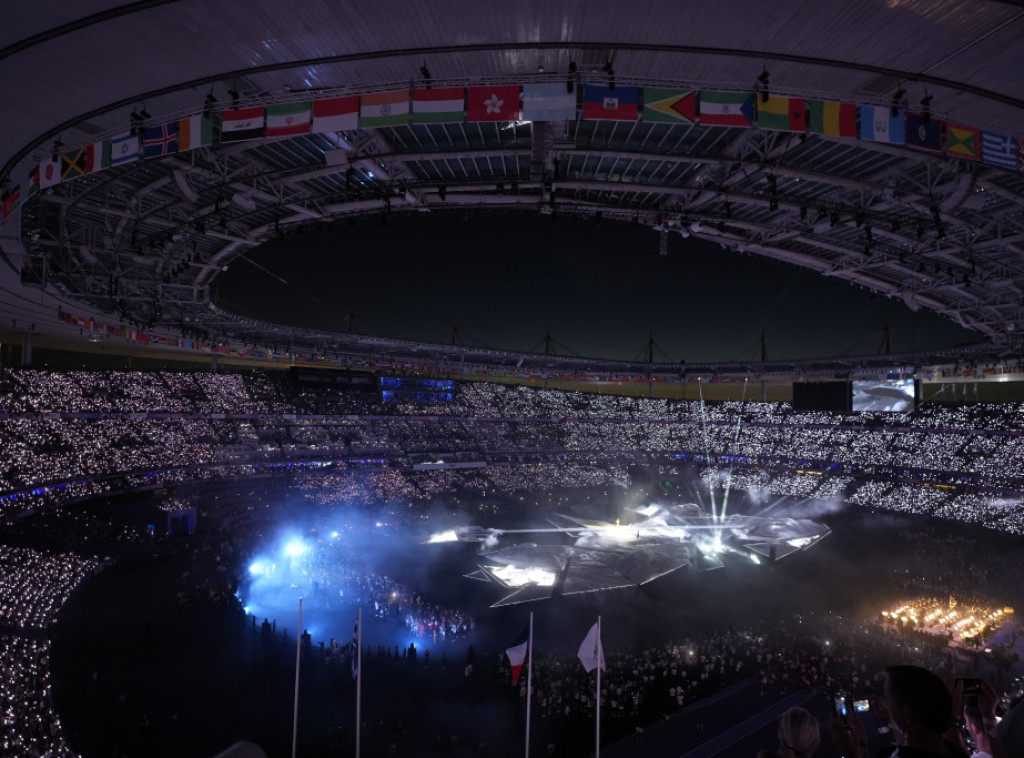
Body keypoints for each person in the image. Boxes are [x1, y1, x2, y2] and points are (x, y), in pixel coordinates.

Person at [830, 665, 968, 758]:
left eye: (889, 701)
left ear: (908, 715)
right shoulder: (957, 751)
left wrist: (852, 753)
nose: (885, 705)